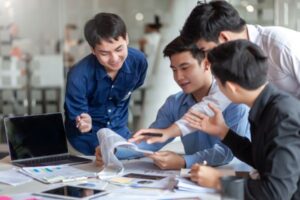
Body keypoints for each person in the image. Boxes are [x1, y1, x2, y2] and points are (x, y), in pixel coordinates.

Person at [136, 40, 300, 199]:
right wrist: (224, 133)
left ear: (231, 88)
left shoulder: (282, 116)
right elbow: (262, 159)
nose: (216, 92)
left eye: (219, 86)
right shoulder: (266, 106)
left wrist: (217, 181)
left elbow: (276, 193)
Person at [96, 36, 250, 170]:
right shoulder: (174, 103)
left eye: (185, 68)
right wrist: (115, 151)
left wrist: (184, 161)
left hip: (234, 181)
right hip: (192, 181)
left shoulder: (234, 100)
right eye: (174, 69)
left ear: (207, 64)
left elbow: (228, 152)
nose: (179, 77)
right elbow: (151, 141)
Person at [64, 13, 148, 155]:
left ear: (126, 38)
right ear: (93, 50)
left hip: (120, 134)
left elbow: (135, 86)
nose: (114, 58)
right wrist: (84, 122)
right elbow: (78, 117)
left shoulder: (138, 62)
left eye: (119, 49)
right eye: (104, 53)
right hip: (86, 141)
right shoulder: (78, 75)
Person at [180, 0, 300, 99]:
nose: (206, 59)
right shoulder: (232, 60)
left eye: (205, 50)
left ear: (224, 38)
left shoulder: (283, 46)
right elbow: (217, 99)